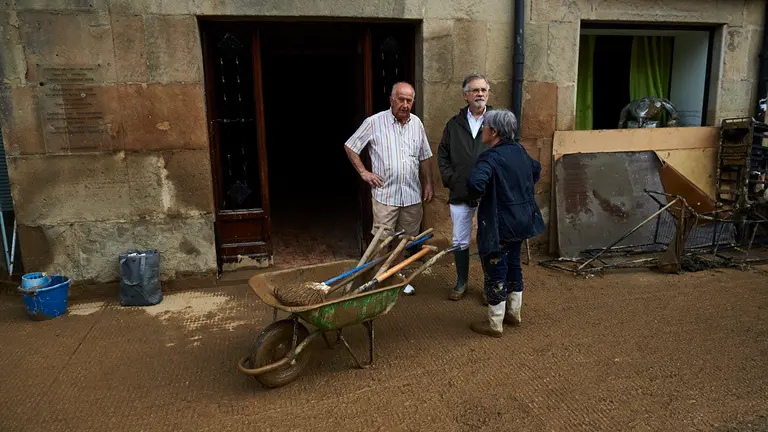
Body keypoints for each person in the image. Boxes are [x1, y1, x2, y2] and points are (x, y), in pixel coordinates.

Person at [344, 82, 434, 295]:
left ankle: (396, 277)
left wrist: (429, 183)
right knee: (382, 240)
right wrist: (364, 173)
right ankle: (376, 280)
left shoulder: (417, 124)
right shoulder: (374, 122)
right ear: (391, 100)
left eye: (409, 100)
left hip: (411, 195)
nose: (405, 104)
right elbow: (350, 146)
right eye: (401, 99)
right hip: (386, 196)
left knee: (405, 241)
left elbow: (425, 156)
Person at [466, 109, 545, 337]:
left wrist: (482, 196)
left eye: (485, 126)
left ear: (495, 132)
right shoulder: (519, 151)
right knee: (513, 265)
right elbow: (536, 170)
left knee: (495, 268)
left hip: (500, 223)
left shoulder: (490, 157)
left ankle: (495, 324)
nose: (483, 129)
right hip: (521, 221)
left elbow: (475, 183)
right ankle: (514, 313)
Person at [437, 74, 492, 301]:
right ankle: (462, 282)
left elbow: (509, 150)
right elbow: (443, 155)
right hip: (460, 191)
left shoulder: (497, 120)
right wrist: (452, 180)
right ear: (465, 95)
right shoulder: (454, 124)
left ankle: (491, 286)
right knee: (460, 239)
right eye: (475, 90)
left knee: (490, 239)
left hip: (490, 192)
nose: (480, 94)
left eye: (483, 90)